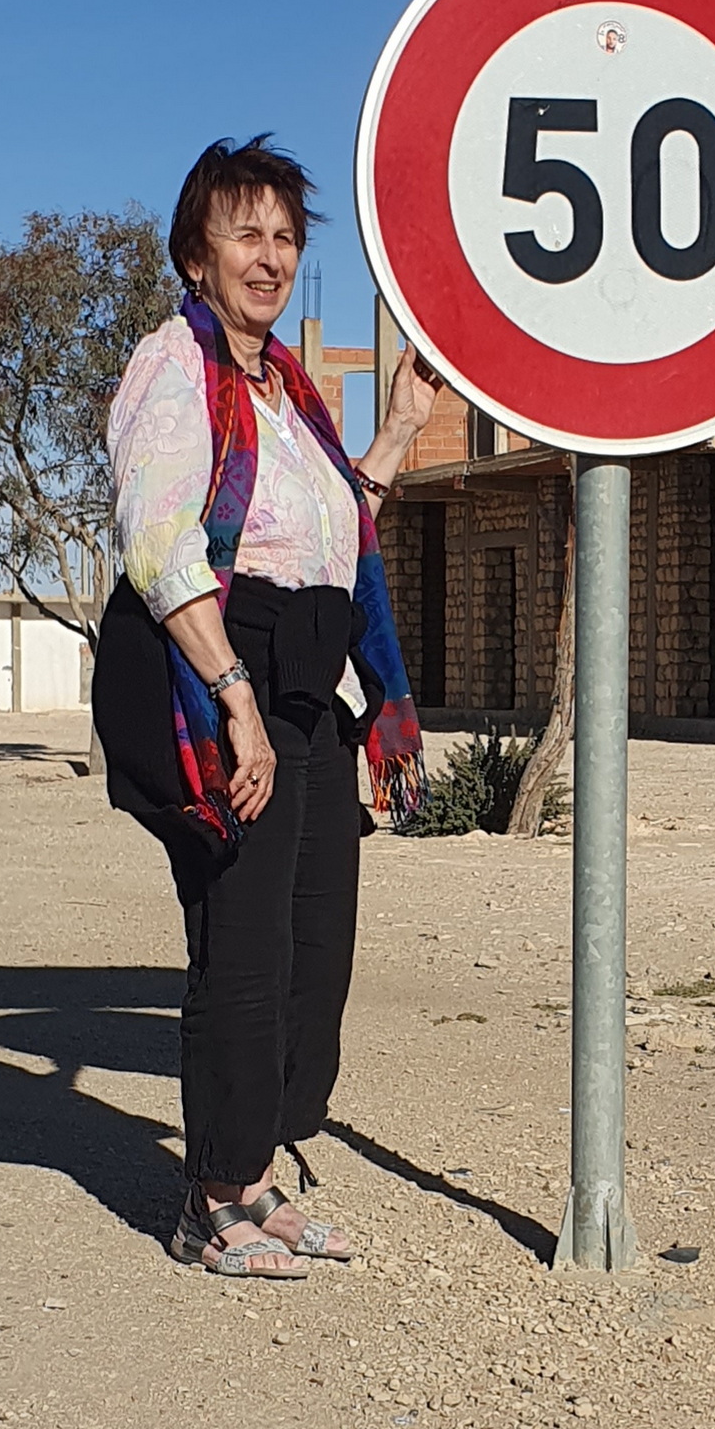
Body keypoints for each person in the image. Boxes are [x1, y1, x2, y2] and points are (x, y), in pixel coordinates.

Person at [92, 136, 437, 1279]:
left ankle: (252, 1173)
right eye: (246, 231)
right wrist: (232, 694)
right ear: (197, 252)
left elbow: (336, 534)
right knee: (239, 947)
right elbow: (157, 538)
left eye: (285, 235)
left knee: (311, 952)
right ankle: (210, 1199)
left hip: (311, 681)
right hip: (221, 669)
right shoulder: (174, 366)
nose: (270, 254)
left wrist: (395, 430)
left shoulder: (288, 392)